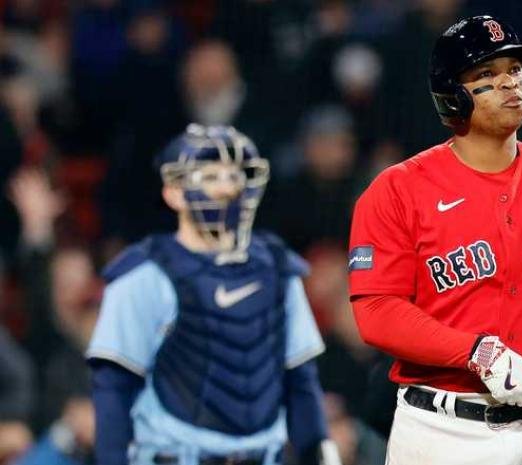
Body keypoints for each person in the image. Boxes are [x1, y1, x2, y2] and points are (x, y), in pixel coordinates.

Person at [348, 15, 522, 465]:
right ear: (451, 96)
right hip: (443, 431)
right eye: (486, 74)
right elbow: (377, 311)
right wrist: (477, 353)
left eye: (515, 70)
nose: (510, 83)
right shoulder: (398, 191)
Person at [85, 125, 341, 465]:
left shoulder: (277, 267)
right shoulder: (144, 274)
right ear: (174, 193)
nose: (226, 188)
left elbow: (300, 378)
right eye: (210, 177)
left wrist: (319, 450)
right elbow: (113, 385)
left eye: (234, 176)